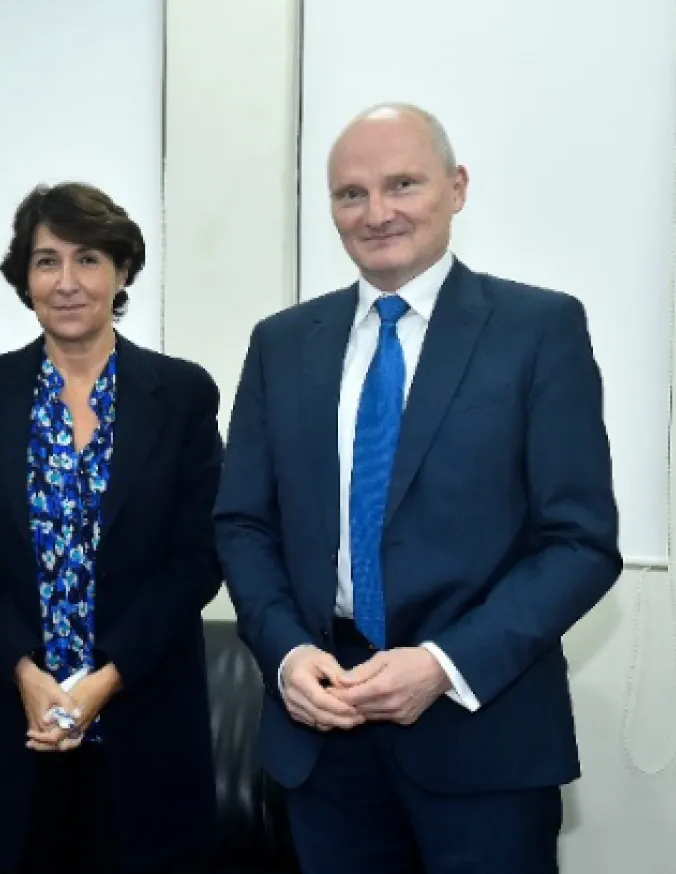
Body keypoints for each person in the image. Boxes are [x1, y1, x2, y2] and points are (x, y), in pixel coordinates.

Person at [214, 103, 622, 873]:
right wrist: (286, 653)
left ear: (457, 187)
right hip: (322, 730)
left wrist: (442, 664)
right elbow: (242, 524)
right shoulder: (281, 344)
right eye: (350, 194)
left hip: (483, 734)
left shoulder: (539, 330)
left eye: (403, 184)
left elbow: (580, 543)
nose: (377, 213)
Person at [0, 182, 223, 874]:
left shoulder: (181, 395)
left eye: (88, 259)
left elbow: (197, 559)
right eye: (46, 262)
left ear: (122, 271)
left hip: (143, 712)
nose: (66, 283)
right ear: (24, 277)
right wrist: (27, 675)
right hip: (17, 717)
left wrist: (104, 682)